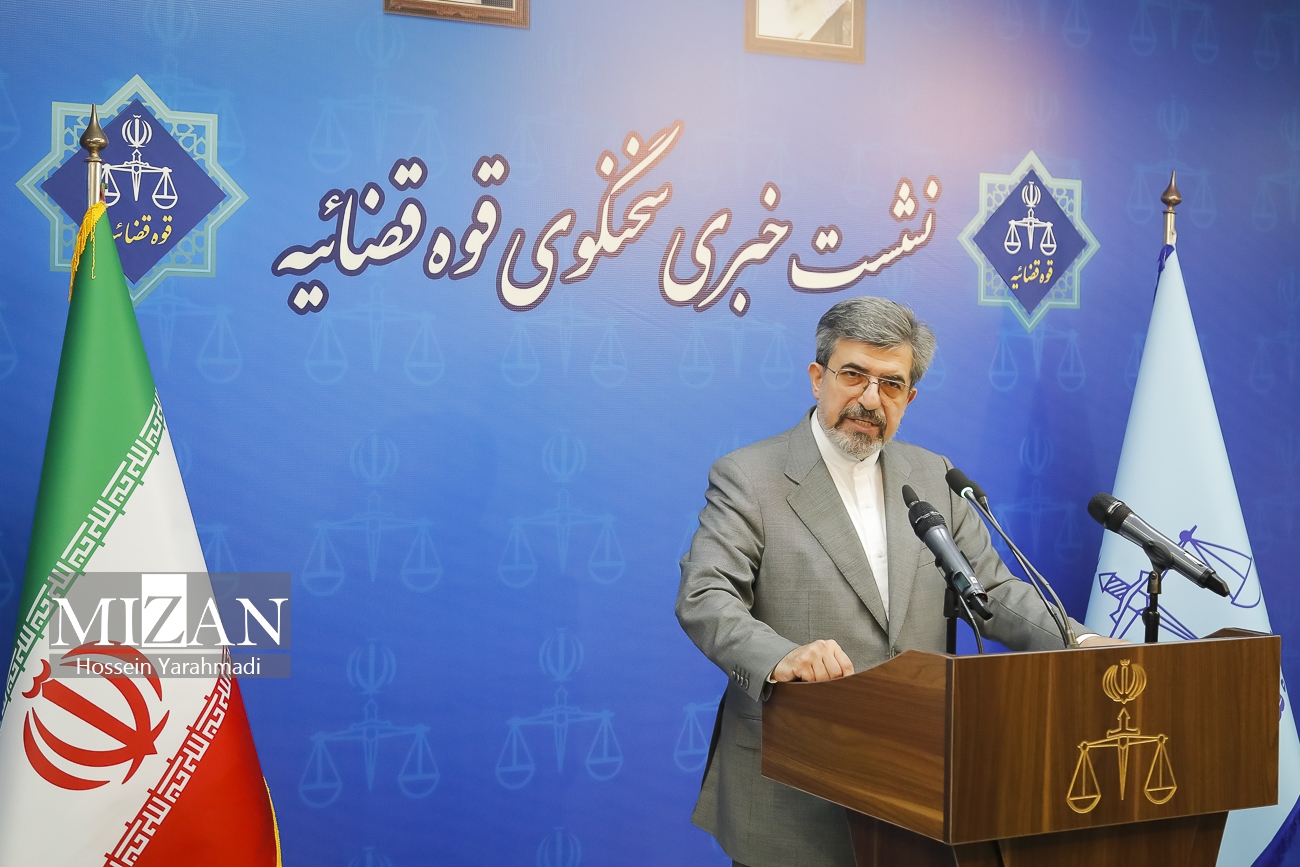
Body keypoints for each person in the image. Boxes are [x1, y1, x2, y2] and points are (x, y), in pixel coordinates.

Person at [675, 296, 1109, 867]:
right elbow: (706, 595)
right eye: (853, 375)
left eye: (891, 384)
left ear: (910, 397)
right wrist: (780, 656)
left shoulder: (934, 476)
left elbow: (994, 593)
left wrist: (1081, 642)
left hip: (918, 784)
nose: (870, 398)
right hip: (794, 783)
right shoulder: (749, 476)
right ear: (818, 377)